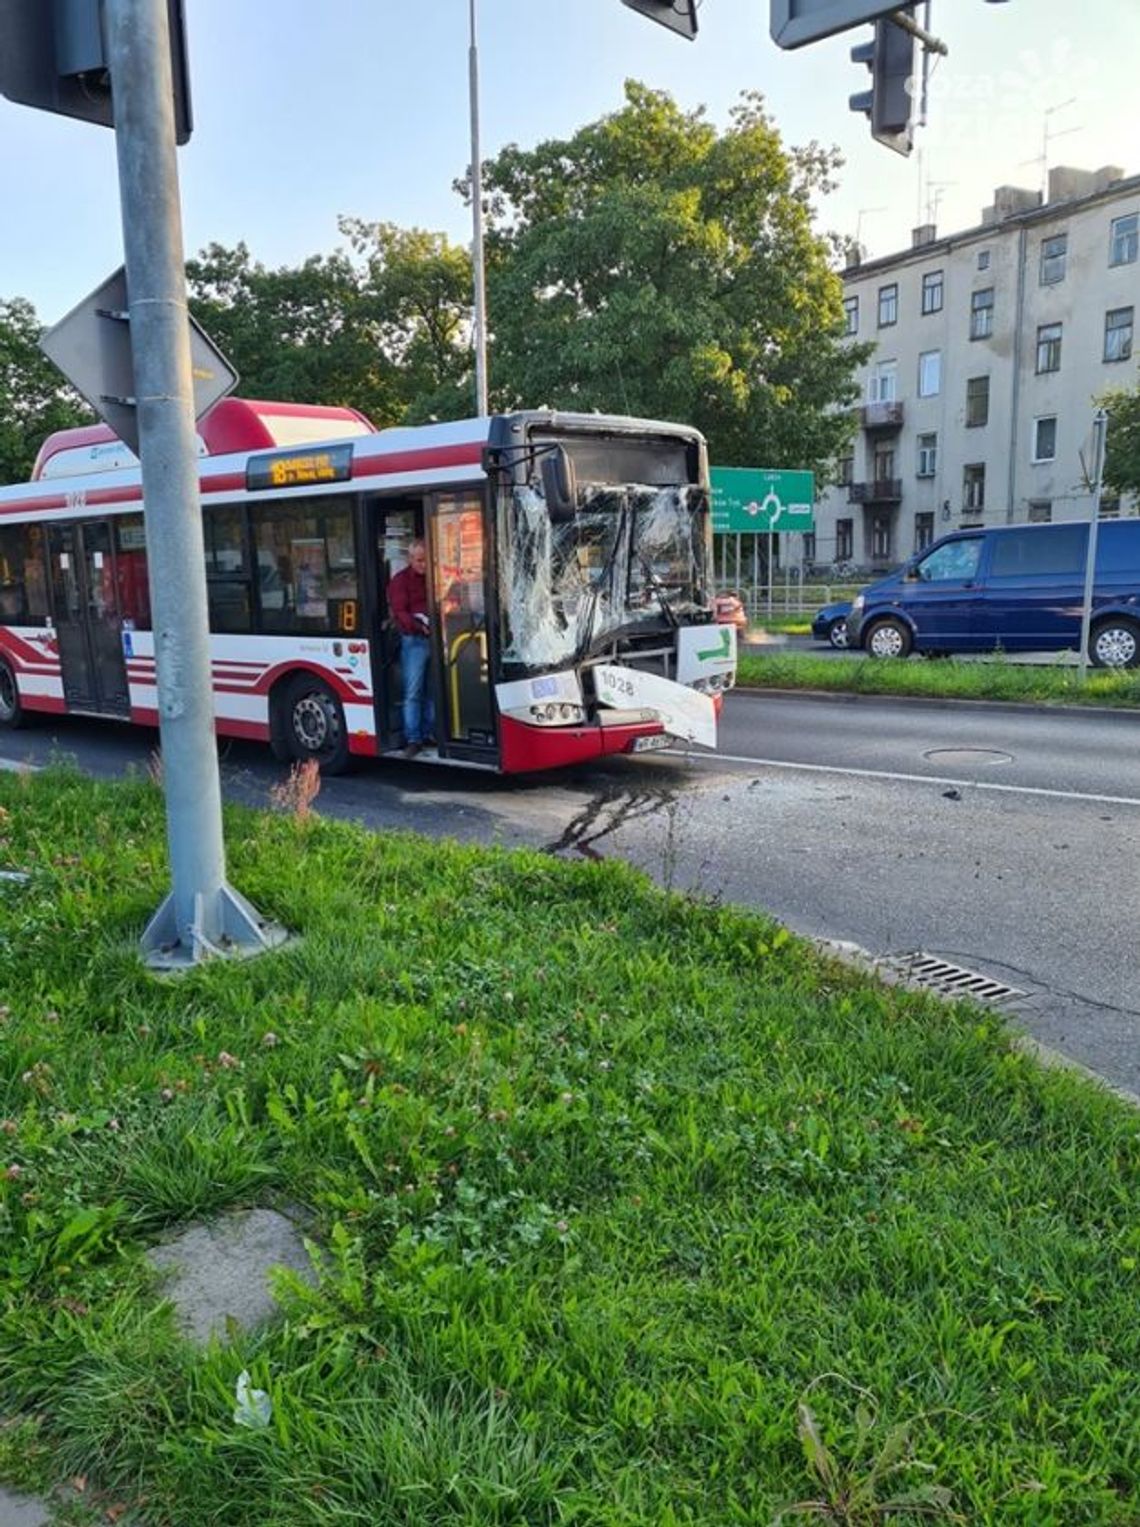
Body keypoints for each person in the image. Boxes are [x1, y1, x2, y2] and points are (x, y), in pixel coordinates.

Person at [387, 538, 435, 756]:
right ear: (410, 559)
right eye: (419, 560)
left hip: (435, 638)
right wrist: (420, 626)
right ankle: (413, 738)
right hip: (414, 640)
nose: (424, 564)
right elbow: (400, 613)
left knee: (433, 690)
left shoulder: (436, 577)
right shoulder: (400, 581)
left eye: (426, 560)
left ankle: (429, 733)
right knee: (414, 691)